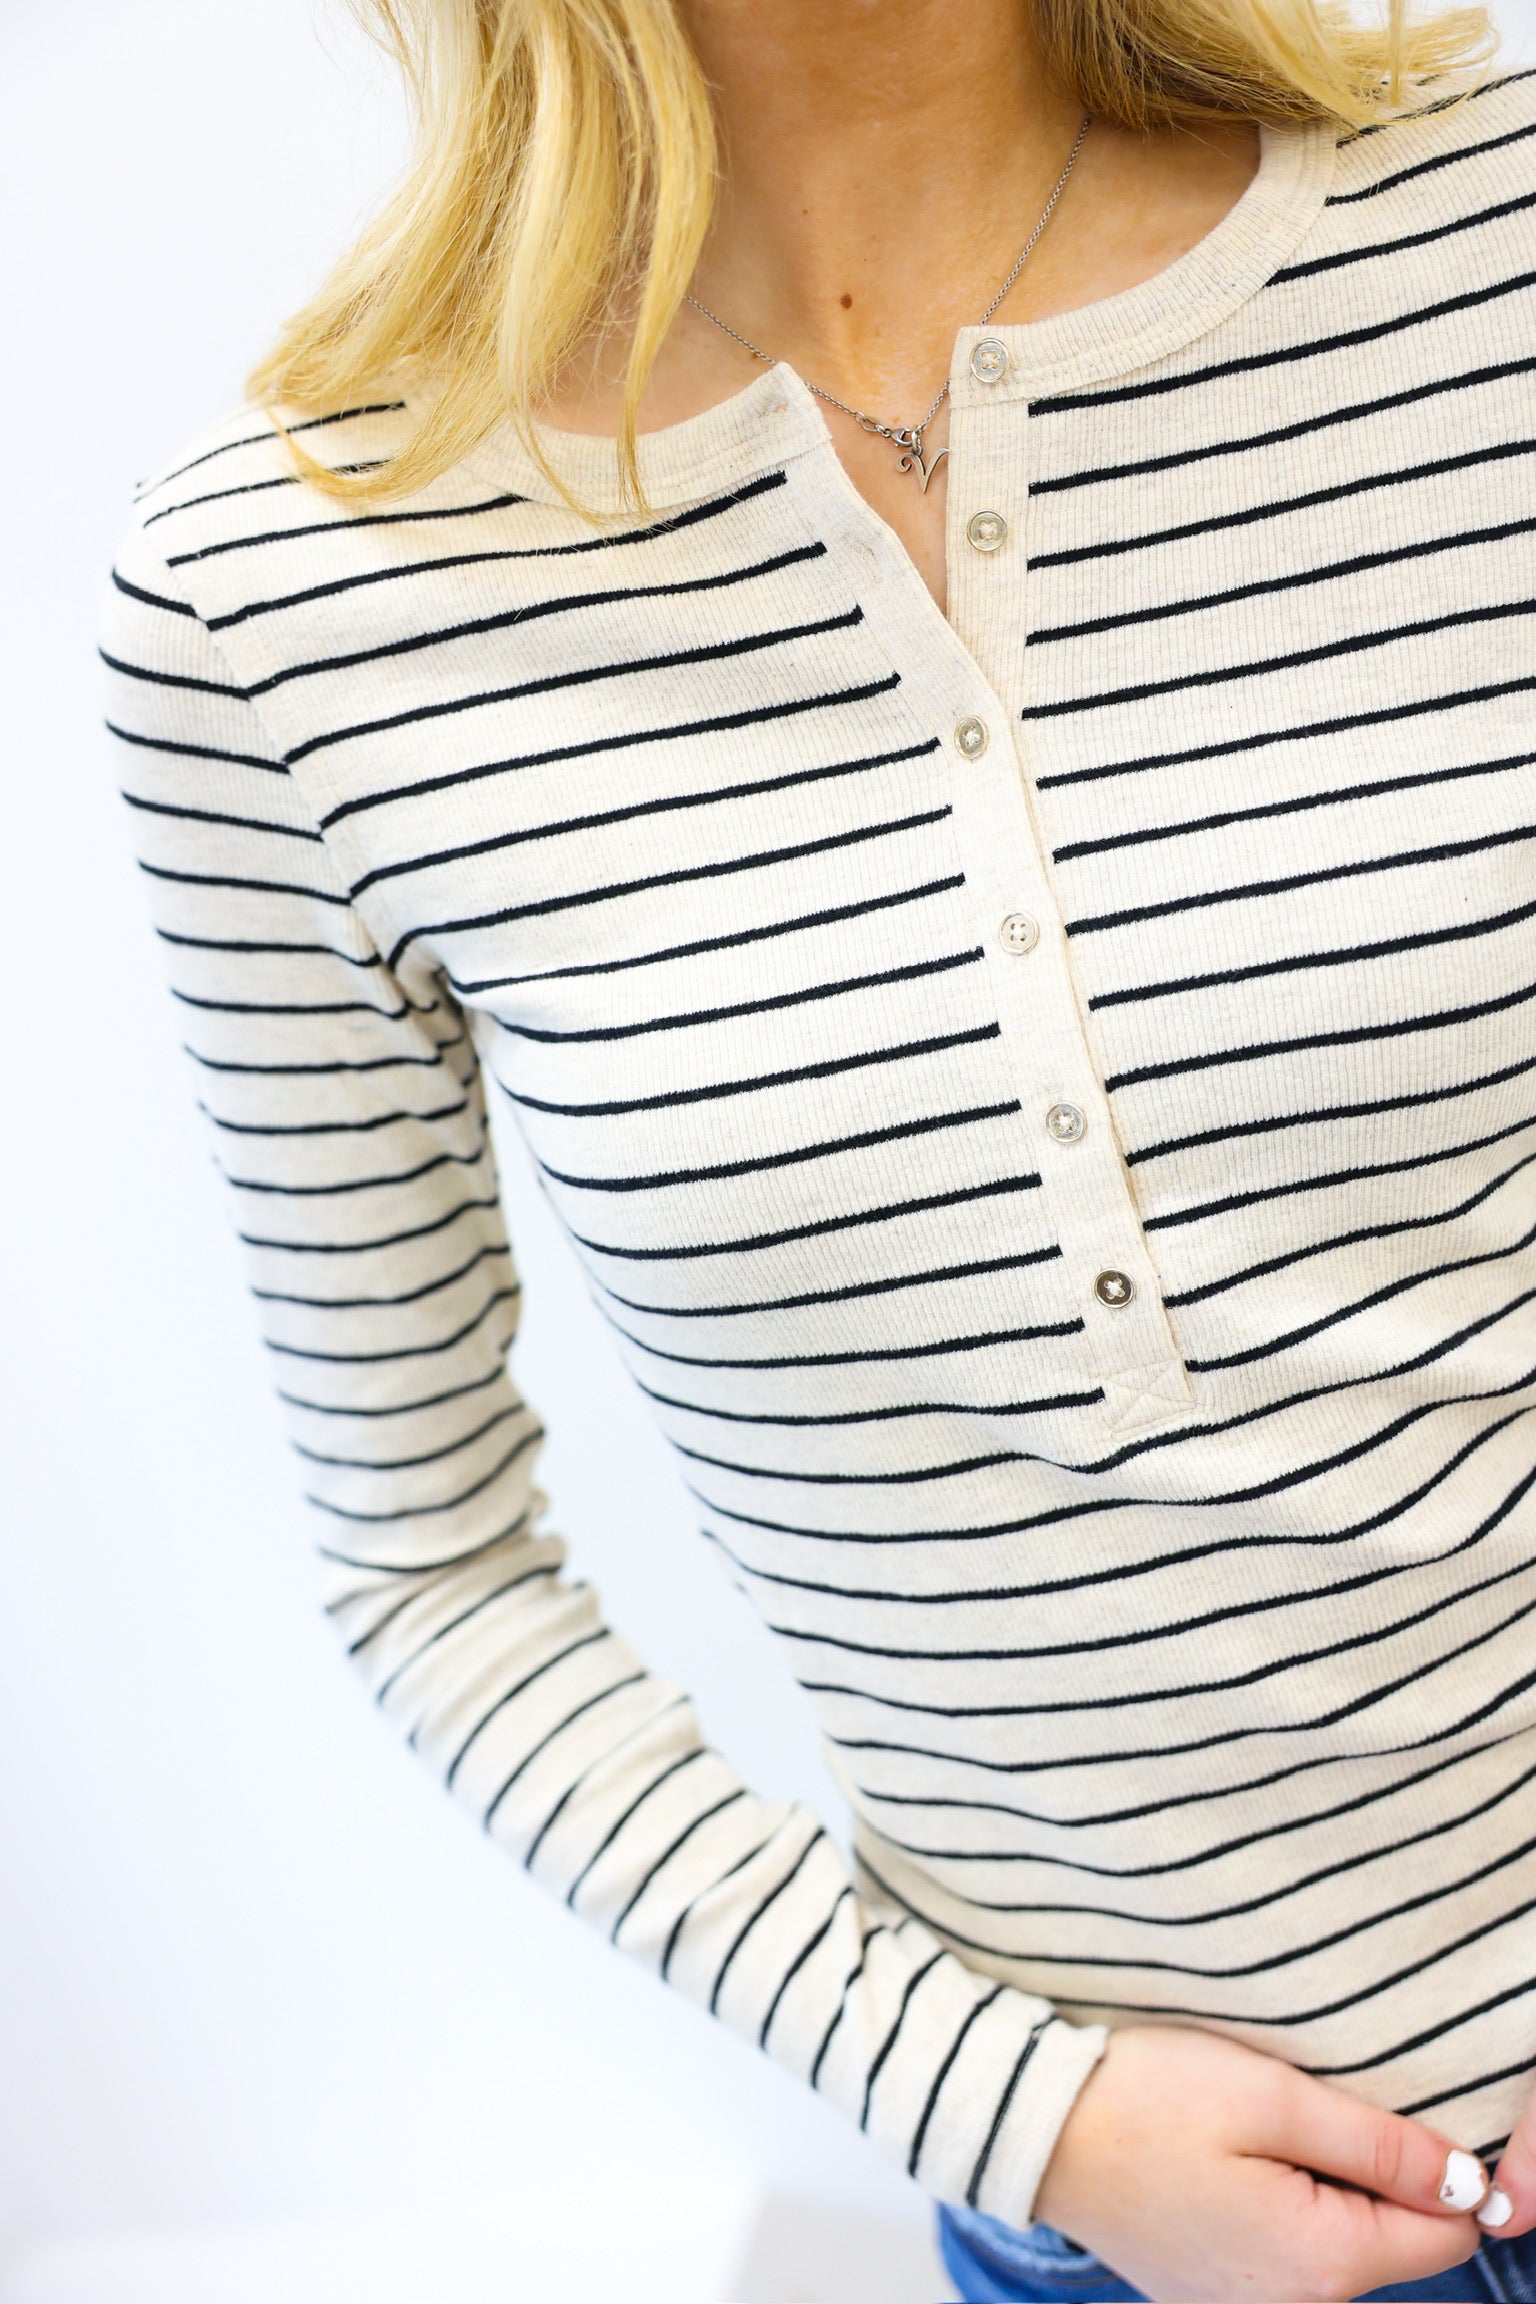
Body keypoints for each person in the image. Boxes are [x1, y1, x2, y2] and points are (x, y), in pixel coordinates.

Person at [99, 1, 1536, 2296]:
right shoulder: (275, 595)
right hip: (1123, 2246)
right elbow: (429, 1571)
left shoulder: (1490, 229)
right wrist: (1019, 2114)